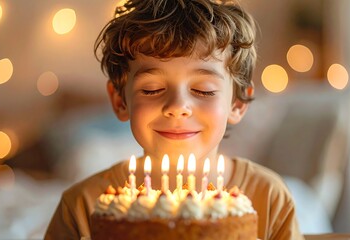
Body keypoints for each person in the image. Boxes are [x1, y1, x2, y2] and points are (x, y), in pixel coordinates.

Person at [45, 0, 304, 239]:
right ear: (120, 101)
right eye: (152, 89)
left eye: (203, 90)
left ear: (237, 103)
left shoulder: (268, 198)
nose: (177, 107)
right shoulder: (82, 206)